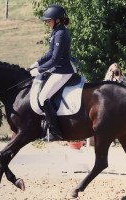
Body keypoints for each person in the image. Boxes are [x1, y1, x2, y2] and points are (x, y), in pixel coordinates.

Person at [29, 4, 75, 141]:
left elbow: (55, 59)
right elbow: (50, 53)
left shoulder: (61, 33)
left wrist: (39, 70)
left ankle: (55, 132)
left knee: (43, 97)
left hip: (63, 71)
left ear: (58, 20)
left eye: (49, 20)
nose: (48, 23)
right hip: (58, 70)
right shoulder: (56, 31)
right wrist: (37, 63)